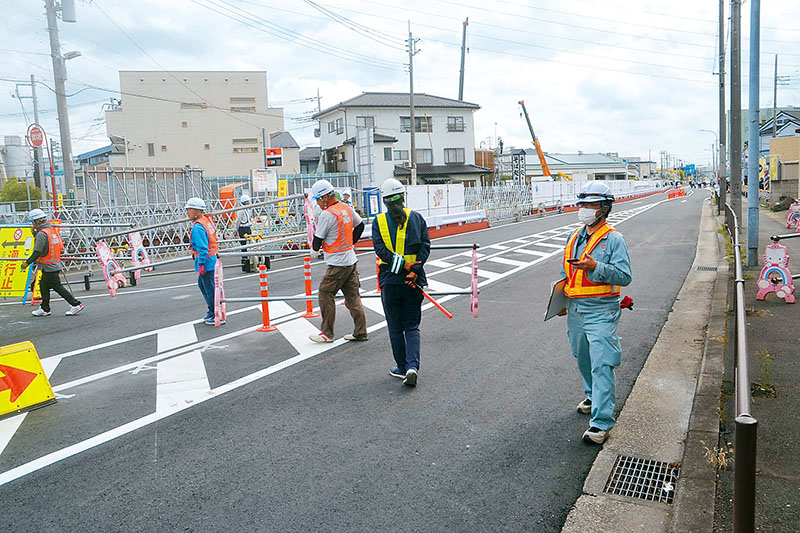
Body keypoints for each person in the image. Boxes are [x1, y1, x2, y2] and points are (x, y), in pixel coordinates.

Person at [559, 181, 631, 444]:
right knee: (583, 357)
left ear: (605, 208)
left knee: (602, 362)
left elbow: (624, 276)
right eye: (582, 204)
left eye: (591, 204)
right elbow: (565, 272)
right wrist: (560, 300)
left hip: (602, 310)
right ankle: (592, 395)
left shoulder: (614, 239)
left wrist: (596, 266)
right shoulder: (574, 236)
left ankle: (601, 423)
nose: (584, 209)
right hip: (576, 309)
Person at [372, 178, 430, 387]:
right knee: (412, 327)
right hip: (413, 283)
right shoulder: (417, 218)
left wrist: (402, 266)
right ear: (403, 196)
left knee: (395, 328)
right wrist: (414, 270)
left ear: (385, 202)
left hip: (390, 282)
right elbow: (425, 247)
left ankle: (402, 367)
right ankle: (413, 367)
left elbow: (381, 251)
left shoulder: (378, 222)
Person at [308, 179, 367, 343]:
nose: (318, 204)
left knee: (325, 294)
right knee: (353, 296)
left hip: (337, 263)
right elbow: (360, 226)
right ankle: (361, 332)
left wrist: (314, 251)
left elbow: (318, 239)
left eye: (318, 200)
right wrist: (351, 244)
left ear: (325, 197)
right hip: (350, 259)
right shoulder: (345, 208)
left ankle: (327, 334)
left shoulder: (327, 214)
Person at [23, 209, 84, 317]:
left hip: (49, 266)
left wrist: (27, 263)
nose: (32, 224)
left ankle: (76, 304)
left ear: (37, 221)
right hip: (53, 264)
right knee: (43, 286)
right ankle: (44, 308)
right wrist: (34, 234)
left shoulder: (42, 234)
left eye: (33, 222)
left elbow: (37, 252)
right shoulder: (51, 230)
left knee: (57, 287)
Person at [186, 197, 222, 326]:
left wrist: (201, 263)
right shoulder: (206, 221)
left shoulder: (198, 227)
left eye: (189, 209)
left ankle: (214, 312)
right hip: (211, 259)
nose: (187, 212)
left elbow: (202, 248)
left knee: (209, 288)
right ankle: (213, 310)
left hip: (206, 262)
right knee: (205, 285)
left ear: (197, 211)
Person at [237, 194, 253, 272]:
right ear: (245, 202)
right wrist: (236, 229)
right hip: (242, 228)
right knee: (244, 244)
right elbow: (238, 220)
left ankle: (251, 259)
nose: (249, 202)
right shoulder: (241, 210)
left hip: (247, 227)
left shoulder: (248, 209)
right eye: (248, 201)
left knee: (250, 243)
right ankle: (245, 260)